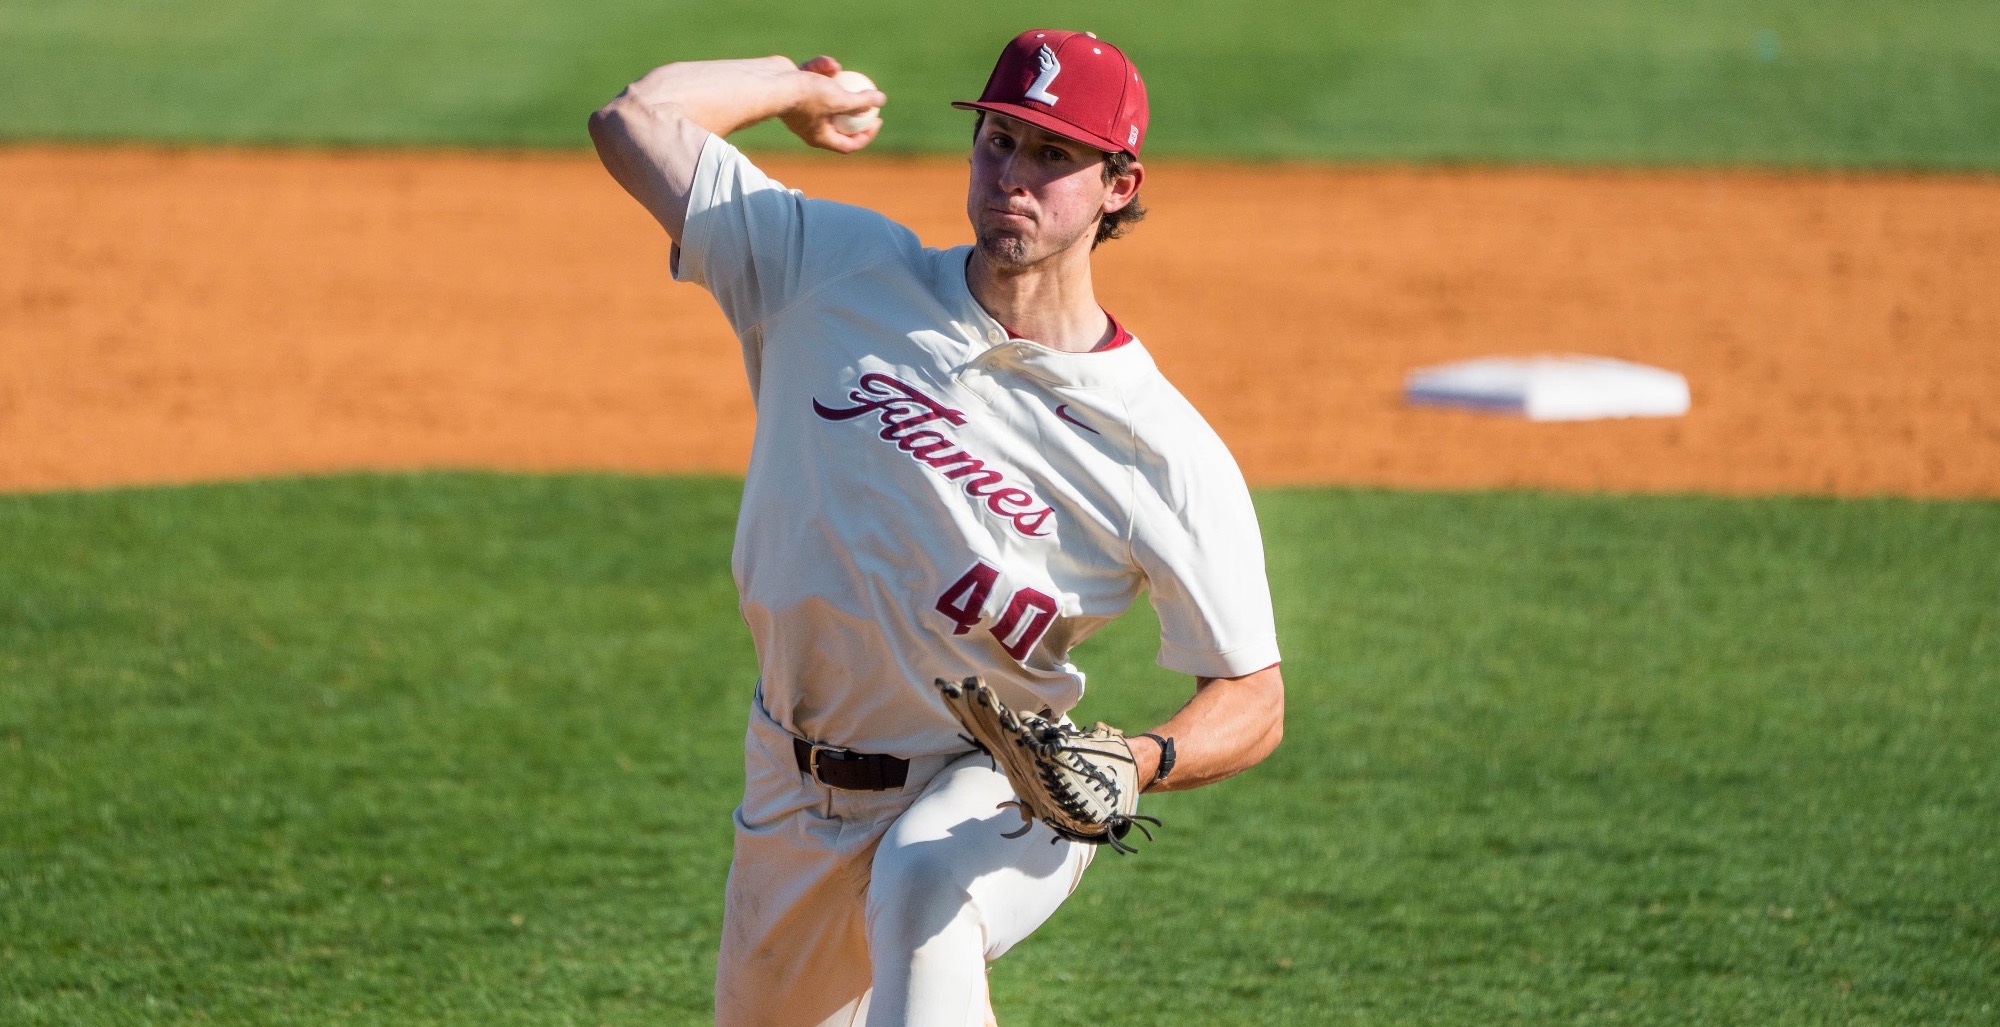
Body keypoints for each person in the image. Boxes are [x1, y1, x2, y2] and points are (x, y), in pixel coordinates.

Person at [589, 28, 1285, 1027]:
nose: (1013, 175)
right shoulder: (829, 271)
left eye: (1052, 155)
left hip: (994, 785)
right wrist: (794, 88)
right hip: (789, 783)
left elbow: (1252, 693)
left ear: (1116, 185)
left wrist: (1134, 760)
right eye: (998, 140)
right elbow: (633, 121)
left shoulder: (1157, 446)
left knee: (921, 890)